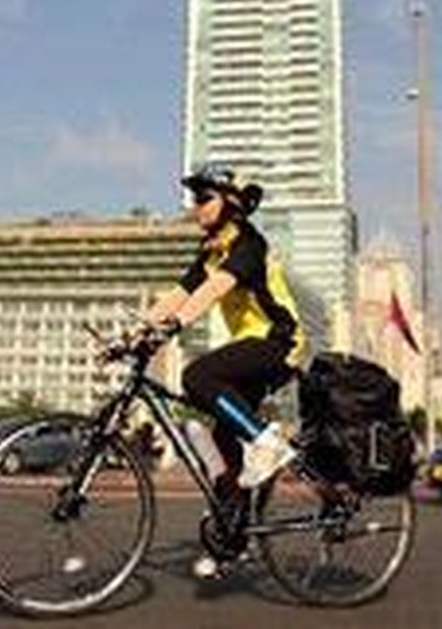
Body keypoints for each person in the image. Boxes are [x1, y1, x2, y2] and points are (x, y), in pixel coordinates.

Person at [128, 162, 305, 579]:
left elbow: (212, 291)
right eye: (195, 199)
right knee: (226, 452)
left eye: (204, 198)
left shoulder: (248, 243)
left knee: (198, 377)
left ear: (230, 203)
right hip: (249, 347)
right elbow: (180, 292)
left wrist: (171, 328)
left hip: (279, 343)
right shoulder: (212, 248)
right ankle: (234, 536)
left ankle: (268, 443)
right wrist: (134, 333)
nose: (196, 207)